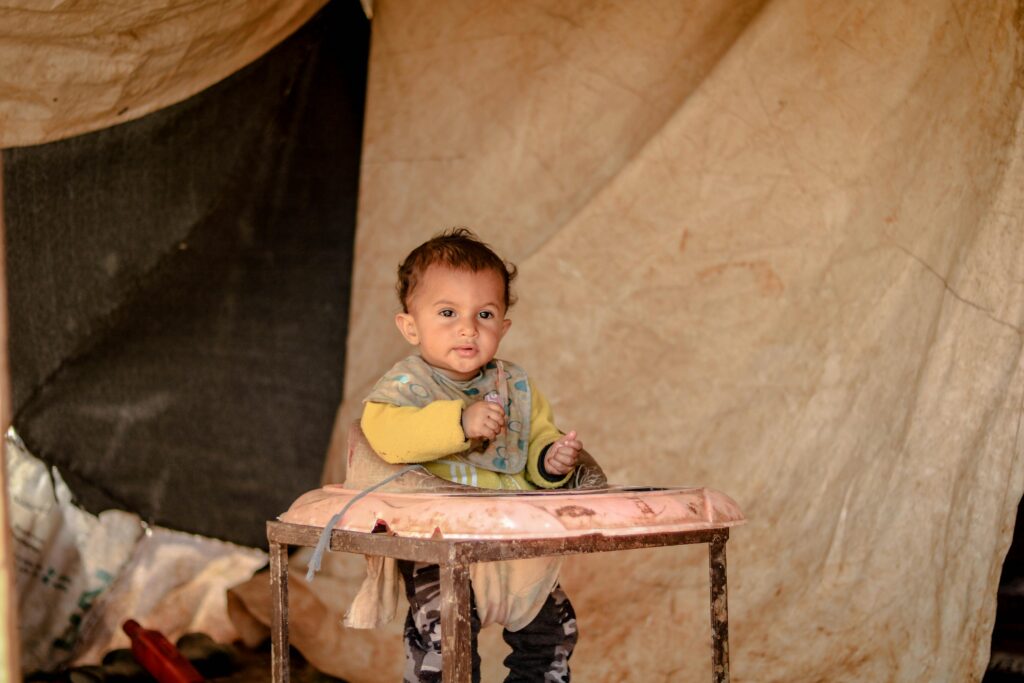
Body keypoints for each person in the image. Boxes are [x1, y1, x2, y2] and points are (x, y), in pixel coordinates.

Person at [360, 227, 581, 682]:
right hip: (437, 546)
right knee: (446, 650)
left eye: (484, 314)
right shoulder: (405, 387)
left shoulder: (514, 386)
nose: (468, 328)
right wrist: (458, 423)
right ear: (410, 326)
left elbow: (534, 436)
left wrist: (550, 460)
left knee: (552, 634)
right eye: (447, 312)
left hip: (514, 541)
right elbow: (385, 436)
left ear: (503, 326)